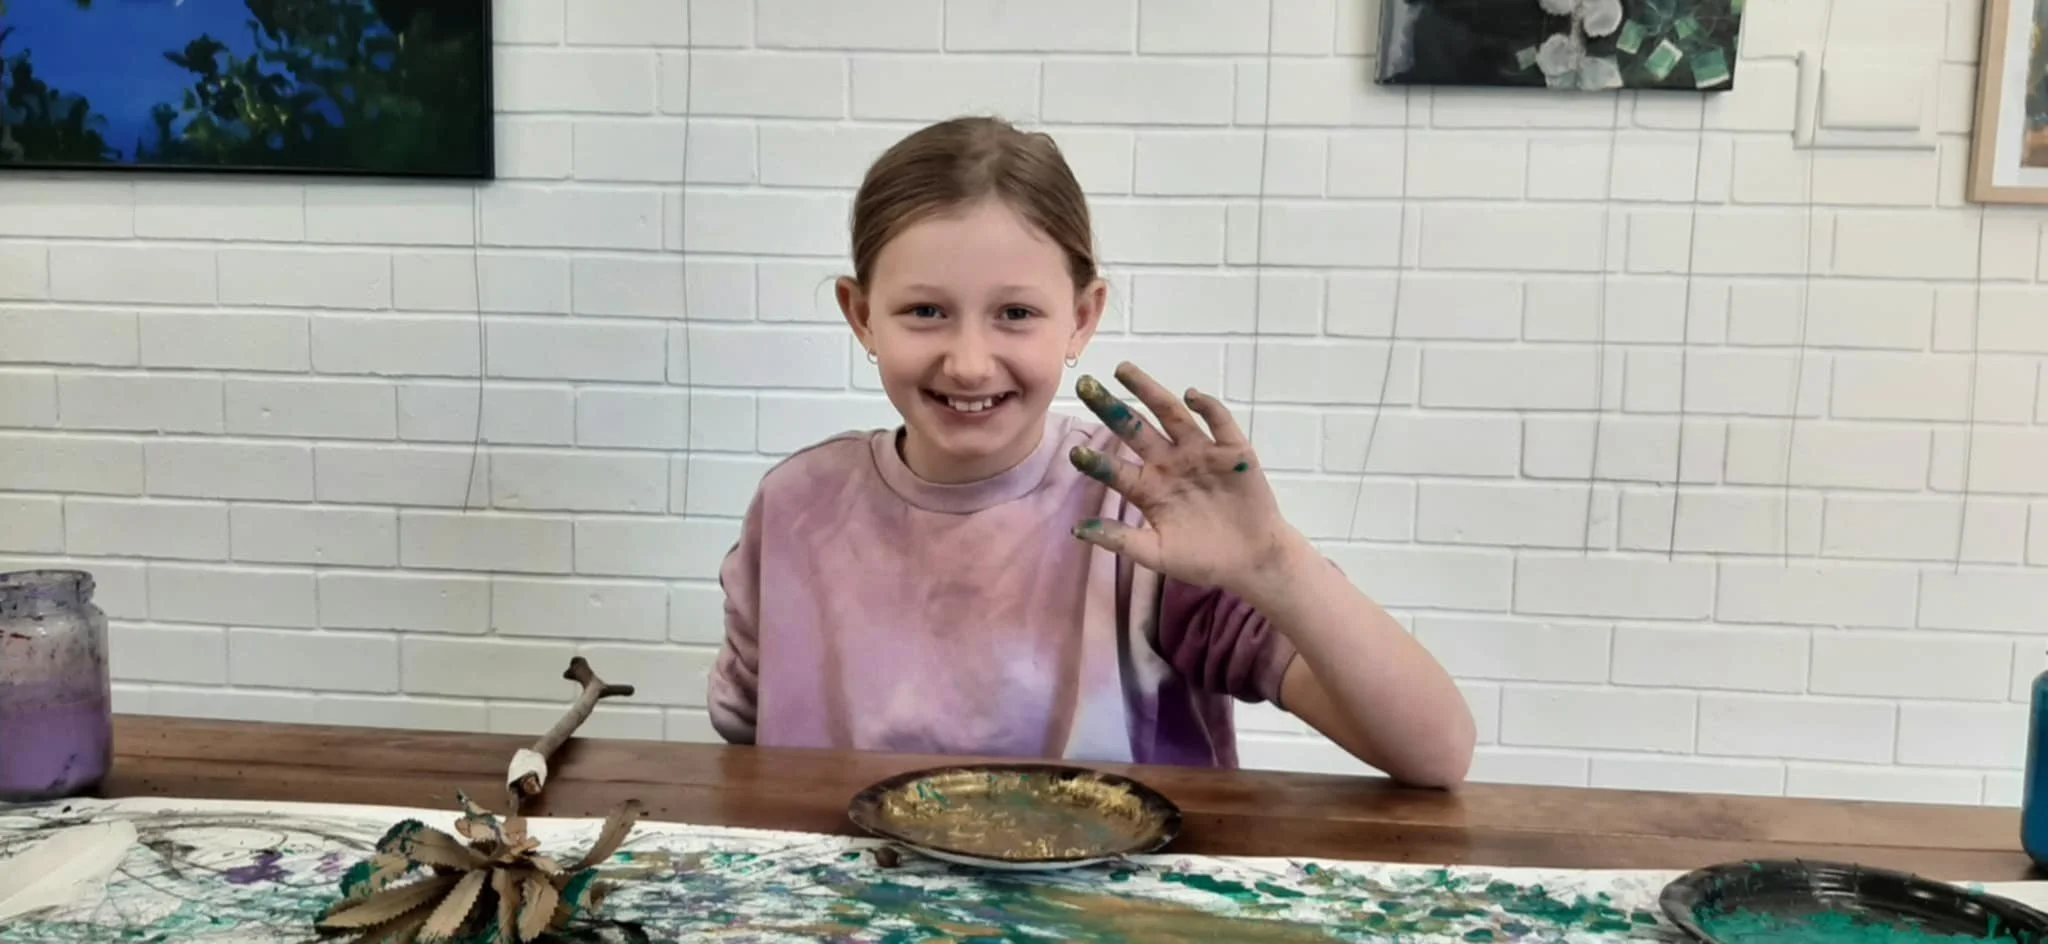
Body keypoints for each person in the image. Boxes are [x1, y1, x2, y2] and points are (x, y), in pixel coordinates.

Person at [707, 116, 1476, 788]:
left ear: (1081, 318)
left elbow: (1435, 753)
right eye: (925, 311)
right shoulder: (798, 506)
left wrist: (1272, 563)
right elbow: (751, 751)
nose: (970, 361)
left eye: (1015, 313)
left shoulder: (1144, 509)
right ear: (861, 314)